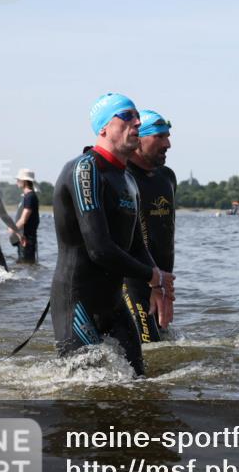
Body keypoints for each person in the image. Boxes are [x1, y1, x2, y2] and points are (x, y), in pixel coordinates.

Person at [50, 93, 175, 376]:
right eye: (128, 116)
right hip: (77, 301)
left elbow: (135, 244)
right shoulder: (85, 169)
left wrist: (157, 284)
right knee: (82, 391)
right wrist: (152, 275)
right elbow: (99, 248)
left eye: (138, 117)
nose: (137, 122)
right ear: (103, 128)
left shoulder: (128, 178)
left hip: (113, 303)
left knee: (138, 380)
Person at [124, 110, 177, 344]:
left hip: (161, 281)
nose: (168, 144)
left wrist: (163, 285)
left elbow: (164, 234)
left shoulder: (167, 177)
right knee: (148, 345)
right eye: (160, 137)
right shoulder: (121, 177)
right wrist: (151, 281)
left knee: (159, 346)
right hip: (131, 280)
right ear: (138, 138)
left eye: (167, 136)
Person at [10, 168, 40, 263]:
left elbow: (23, 219)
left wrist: (12, 228)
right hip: (23, 238)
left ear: (25, 181)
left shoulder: (30, 197)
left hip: (27, 240)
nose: (17, 182)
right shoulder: (26, 196)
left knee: (26, 264)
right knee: (24, 265)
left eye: (18, 180)